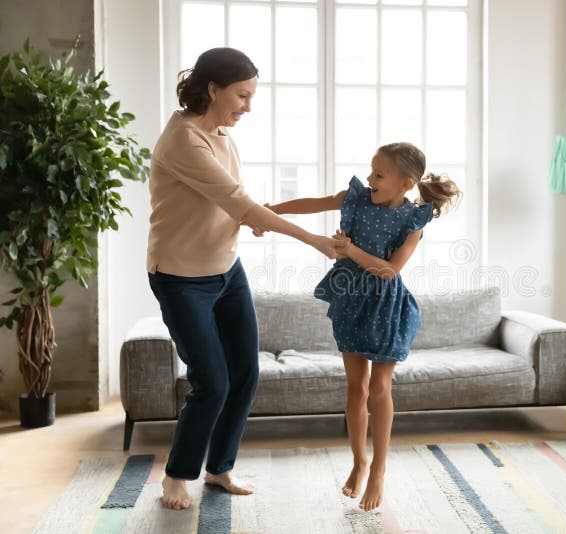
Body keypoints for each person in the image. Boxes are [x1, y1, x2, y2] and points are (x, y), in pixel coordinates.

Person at [146, 47, 336, 510]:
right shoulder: (184, 141)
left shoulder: (222, 137)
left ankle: (219, 468)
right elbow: (238, 200)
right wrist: (314, 240)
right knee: (211, 381)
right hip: (181, 277)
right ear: (213, 89)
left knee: (245, 373)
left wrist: (250, 216)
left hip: (226, 271)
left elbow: (232, 201)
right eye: (242, 95)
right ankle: (177, 476)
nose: (248, 106)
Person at [267, 142, 462, 511]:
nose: (370, 179)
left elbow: (390, 270)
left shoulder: (412, 221)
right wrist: (268, 211)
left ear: (405, 184)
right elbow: (314, 202)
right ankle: (360, 462)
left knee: (379, 387)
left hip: (386, 307)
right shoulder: (356, 198)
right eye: (371, 171)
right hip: (350, 302)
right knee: (355, 388)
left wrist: (349, 249)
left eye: (379, 174)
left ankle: (379, 471)